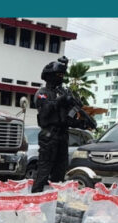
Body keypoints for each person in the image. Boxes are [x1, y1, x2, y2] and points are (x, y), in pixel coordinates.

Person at [31, 56, 71, 193]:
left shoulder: (63, 92)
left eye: (62, 75)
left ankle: (55, 198)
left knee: (60, 171)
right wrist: (60, 100)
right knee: (44, 169)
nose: (61, 77)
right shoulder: (42, 93)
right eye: (58, 75)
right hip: (49, 135)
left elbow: (68, 117)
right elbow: (45, 110)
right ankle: (36, 198)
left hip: (63, 135)